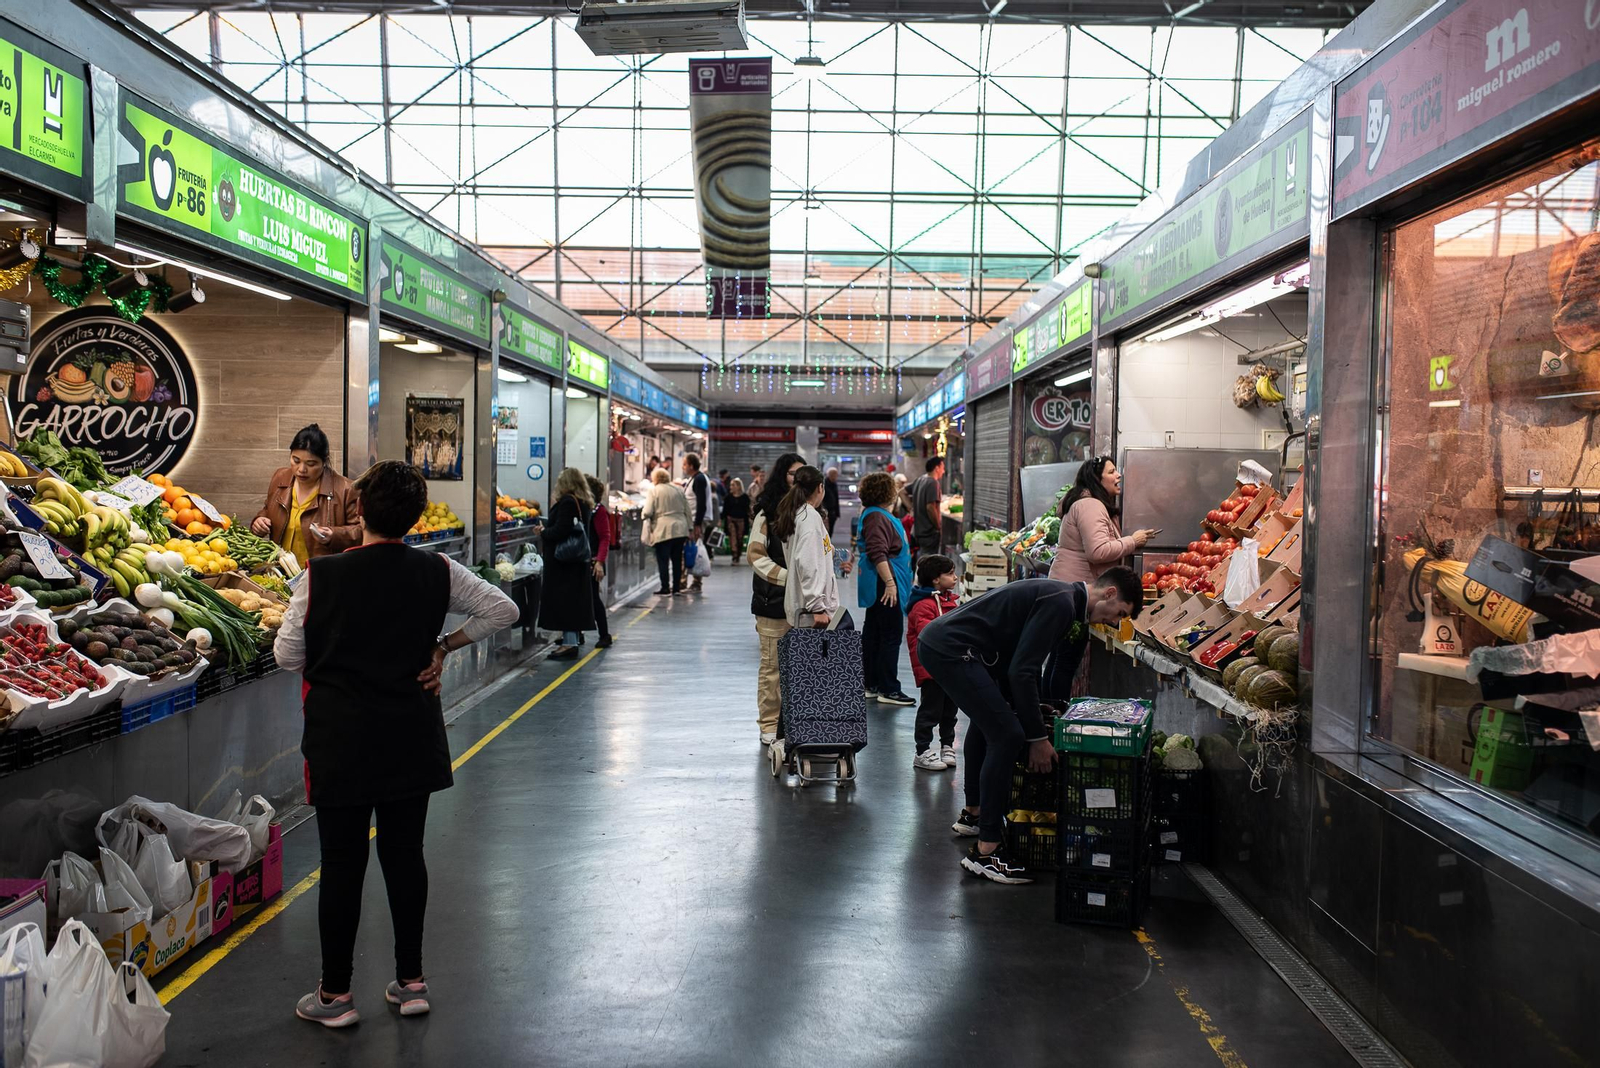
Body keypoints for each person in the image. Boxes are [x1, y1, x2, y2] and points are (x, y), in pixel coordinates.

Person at [275, 459, 518, 1027]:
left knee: (342, 863)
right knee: (405, 855)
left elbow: (286, 655)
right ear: (414, 516)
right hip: (410, 732)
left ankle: (335, 996)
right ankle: (411, 983)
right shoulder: (438, 570)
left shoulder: (320, 576)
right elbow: (502, 610)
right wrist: (443, 646)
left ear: (358, 510)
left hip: (340, 739)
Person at [919, 568, 1143, 885]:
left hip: (953, 646)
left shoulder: (1063, 598)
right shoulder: (1062, 604)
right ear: (1109, 593)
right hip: (952, 649)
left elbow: (1020, 661)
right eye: (1119, 613)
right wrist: (1037, 738)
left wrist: (1030, 709)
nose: (1114, 622)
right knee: (1006, 735)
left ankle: (975, 814)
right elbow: (1022, 671)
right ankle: (987, 851)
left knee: (992, 723)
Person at [746, 452, 806, 745]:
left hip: (805, 605)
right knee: (773, 667)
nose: (798, 478)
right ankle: (769, 723)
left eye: (803, 473)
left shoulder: (809, 513)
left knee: (801, 666)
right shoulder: (766, 514)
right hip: (773, 603)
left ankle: (796, 722)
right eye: (793, 473)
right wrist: (788, 578)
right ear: (782, 475)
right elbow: (755, 556)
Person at [251, 424, 362, 567]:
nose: (301, 469)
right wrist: (259, 521)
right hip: (280, 570)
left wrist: (333, 534)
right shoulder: (280, 478)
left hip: (320, 573)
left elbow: (361, 531)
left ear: (324, 462)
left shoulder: (345, 489)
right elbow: (268, 509)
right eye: (296, 460)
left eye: (311, 464)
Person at [853, 472, 914, 706]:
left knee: (875, 632)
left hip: (883, 579)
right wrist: (889, 583)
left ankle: (872, 683)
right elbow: (877, 552)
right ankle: (888, 688)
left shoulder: (874, 514)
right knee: (890, 633)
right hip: (885, 581)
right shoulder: (877, 517)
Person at [1048, 456, 1157, 584]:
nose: (1119, 475)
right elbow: (1097, 552)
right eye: (1111, 472)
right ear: (1097, 479)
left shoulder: (1090, 503)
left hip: (1075, 586)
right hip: (1074, 587)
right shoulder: (1090, 505)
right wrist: (1133, 541)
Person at [770, 466, 848, 631]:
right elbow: (807, 563)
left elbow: (816, 551)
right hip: (812, 614)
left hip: (806, 609)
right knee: (815, 648)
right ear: (820, 487)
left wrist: (839, 558)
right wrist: (817, 607)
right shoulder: (809, 518)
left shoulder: (798, 514)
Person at [906, 553, 961, 772]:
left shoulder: (948, 600)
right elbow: (929, 634)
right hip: (931, 667)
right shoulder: (923, 606)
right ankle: (922, 751)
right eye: (950, 573)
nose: (955, 577)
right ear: (936, 579)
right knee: (930, 710)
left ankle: (947, 745)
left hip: (949, 665)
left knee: (950, 710)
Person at [540, 468, 597, 660]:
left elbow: (561, 530)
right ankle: (570, 639)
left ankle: (569, 644)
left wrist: (543, 531)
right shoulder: (583, 502)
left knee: (566, 603)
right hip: (575, 562)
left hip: (564, 563)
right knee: (573, 602)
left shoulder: (568, 502)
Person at [643, 467, 692, 595]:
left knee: (663, 560)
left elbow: (647, 511)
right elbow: (688, 511)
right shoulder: (678, 490)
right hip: (680, 529)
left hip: (663, 529)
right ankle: (676, 588)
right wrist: (690, 528)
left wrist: (644, 516)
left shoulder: (654, 490)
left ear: (655, 478)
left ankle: (665, 587)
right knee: (677, 560)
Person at [586, 476, 614, 651]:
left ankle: (604, 635)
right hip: (586, 559)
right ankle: (576, 634)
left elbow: (605, 537)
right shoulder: (587, 509)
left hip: (593, 561)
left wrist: (600, 561)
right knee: (584, 598)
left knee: (593, 598)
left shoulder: (599, 511)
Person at [683, 453, 713, 583]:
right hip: (694, 519)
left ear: (691, 466)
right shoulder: (695, 478)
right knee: (692, 549)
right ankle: (689, 581)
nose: (683, 467)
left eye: (685, 464)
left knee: (695, 551)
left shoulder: (699, 479)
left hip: (696, 520)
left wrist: (697, 524)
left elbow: (701, 503)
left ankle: (696, 581)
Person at [910, 454, 945, 559]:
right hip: (928, 532)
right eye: (942, 468)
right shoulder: (933, 482)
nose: (943, 471)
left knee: (922, 559)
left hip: (918, 531)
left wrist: (911, 508)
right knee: (928, 561)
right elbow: (930, 507)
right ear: (937, 468)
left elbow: (902, 492)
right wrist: (938, 526)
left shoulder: (920, 480)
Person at [723, 477, 750, 562]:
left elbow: (747, 510)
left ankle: (738, 554)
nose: (731, 487)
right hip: (731, 520)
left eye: (733, 485)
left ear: (738, 486)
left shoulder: (745, 497)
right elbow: (725, 510)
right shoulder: (728, 497)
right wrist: (722, 519)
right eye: (731, 485)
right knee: (733, 537)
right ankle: (734, 554)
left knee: (739, 538)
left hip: (741, 520)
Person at [822, 467, 842, 539]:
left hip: (833, 512)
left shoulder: (834, 484)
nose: (836, 476)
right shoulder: (824, 484)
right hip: (826, 510)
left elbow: (836, 499)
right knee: (825, 530)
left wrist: (837, 513)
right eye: (834, 475)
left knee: (831, 530)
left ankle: (829, 541)